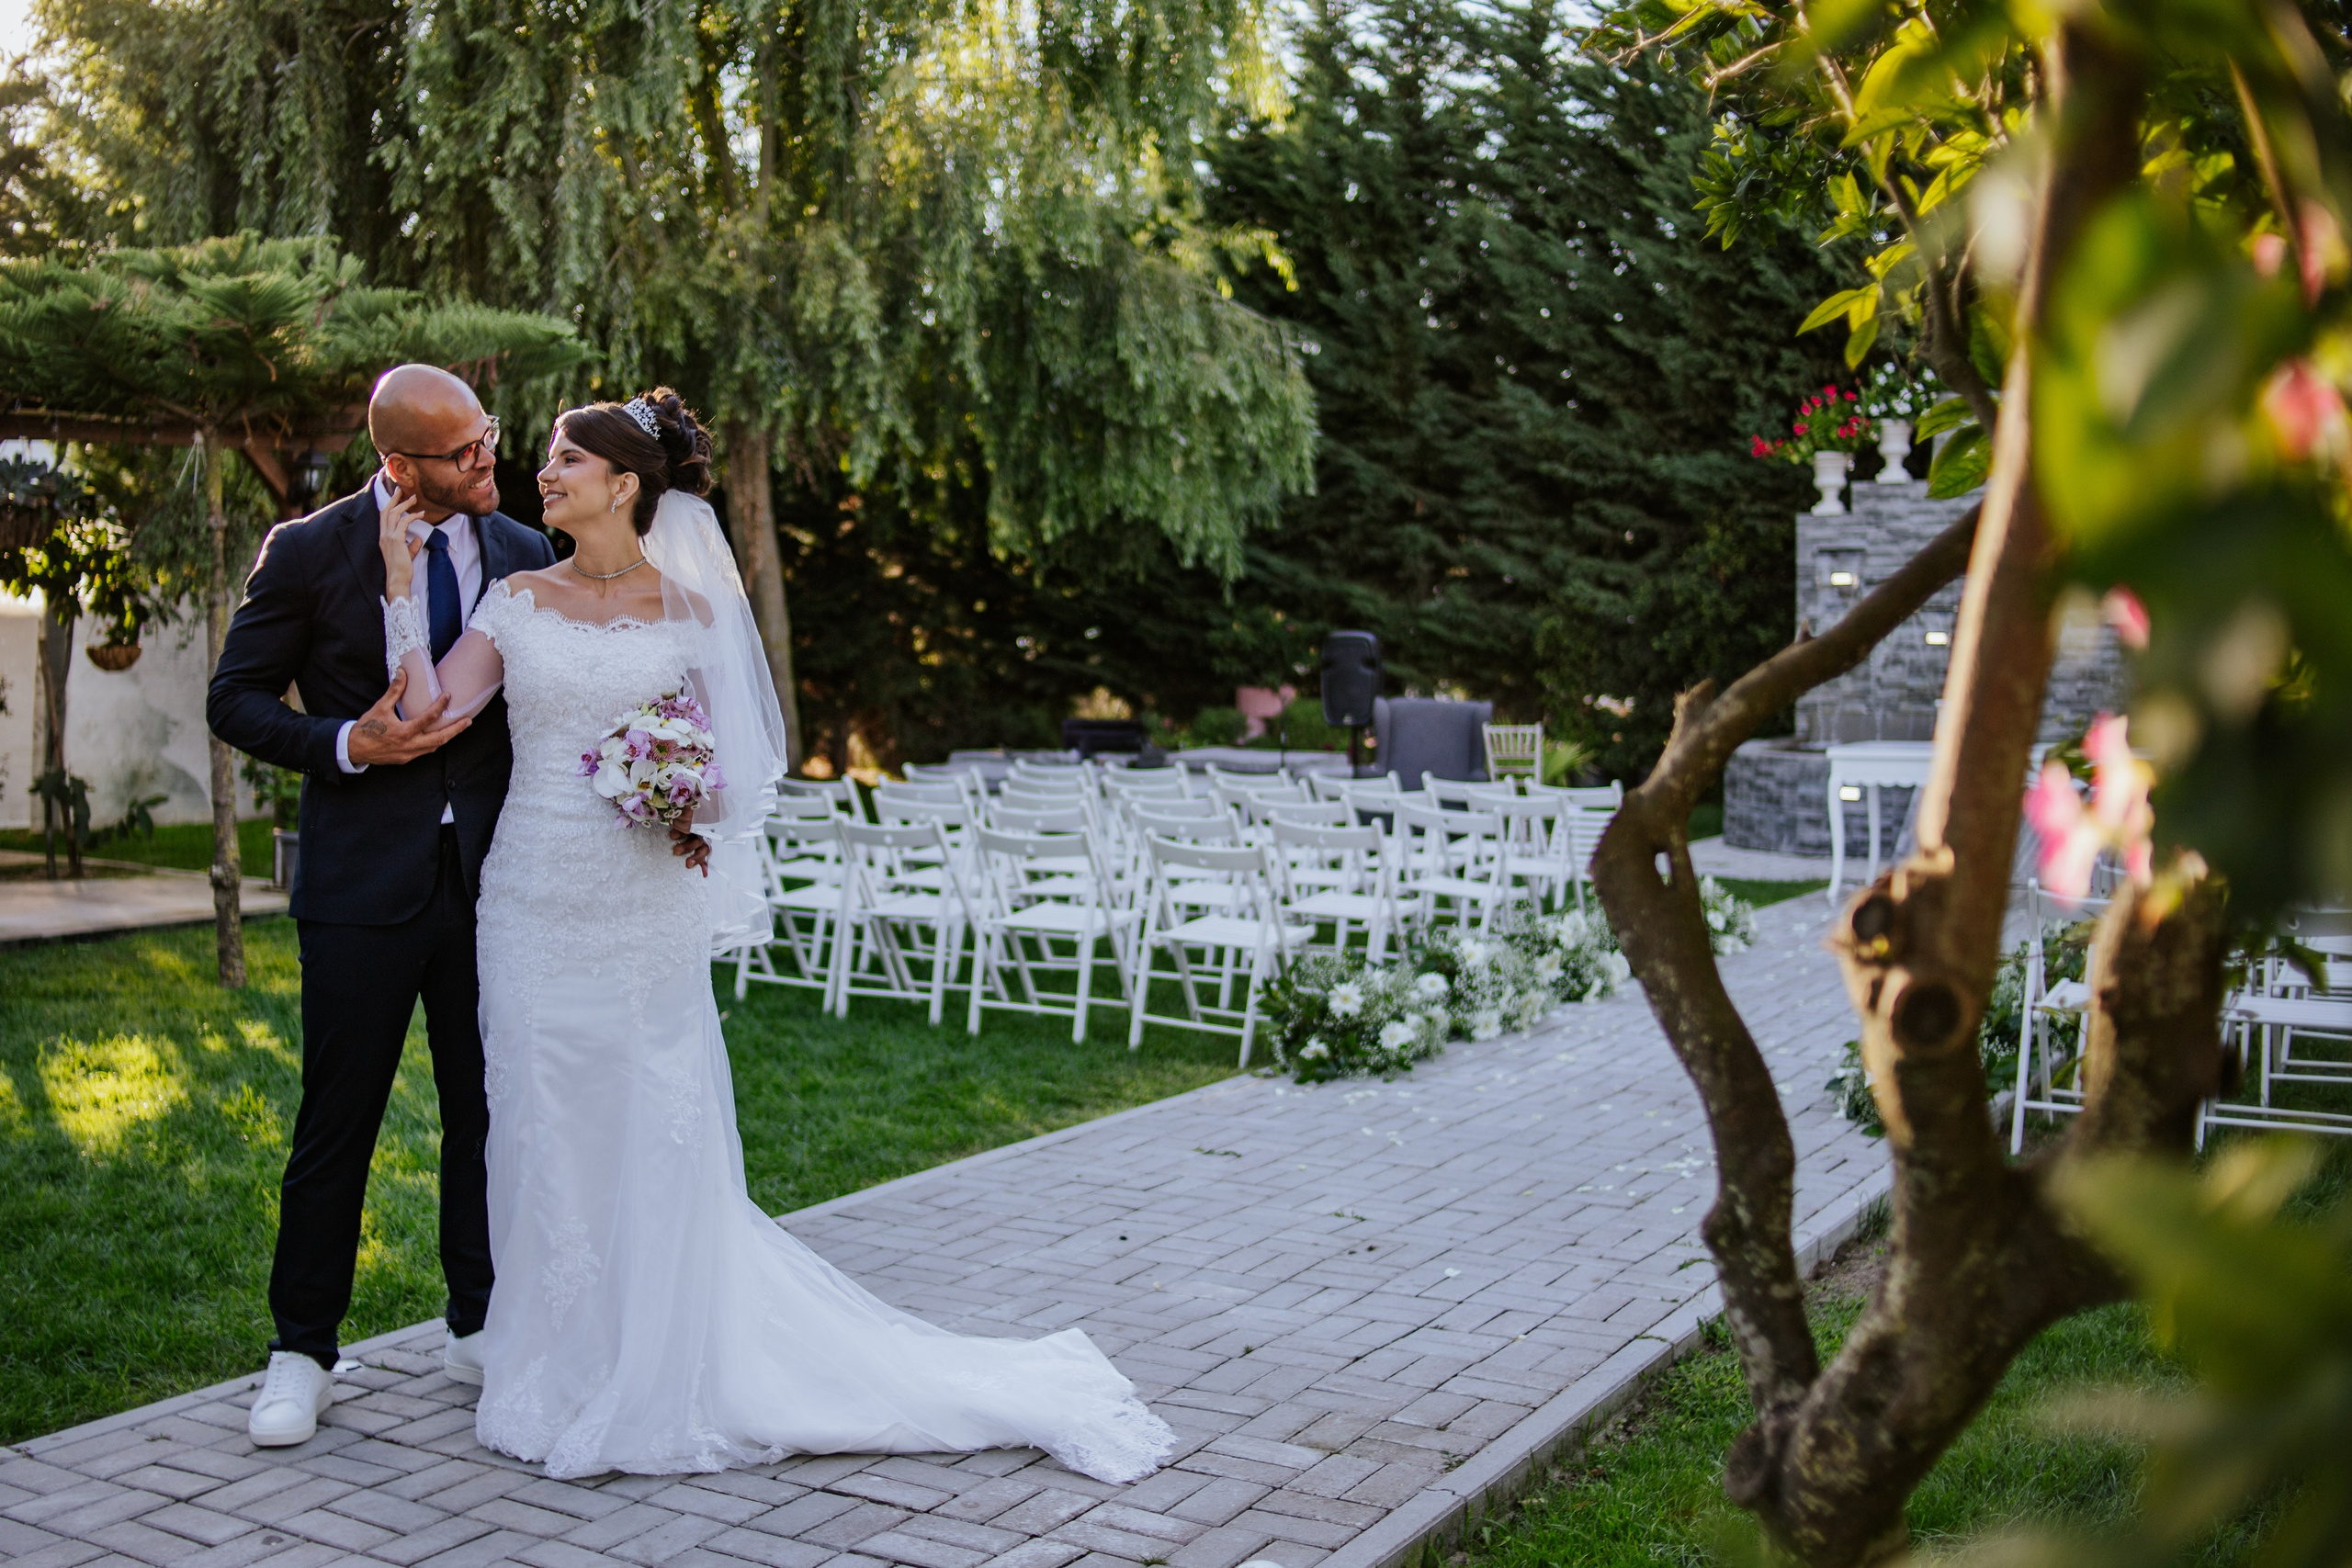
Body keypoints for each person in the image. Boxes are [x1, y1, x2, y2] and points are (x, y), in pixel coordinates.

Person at [369, 389, 1174, 1483]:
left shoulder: (689, 611)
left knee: (652, 1122)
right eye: (546, 458)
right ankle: (552, 1360)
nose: (543, 473)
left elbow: (736, 768)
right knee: (538, 1120)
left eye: (563, 460)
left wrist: (677, 793)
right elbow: (423, 713)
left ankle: (658, 1362)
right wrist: (398, 586)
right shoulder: (514, 598)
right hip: (529, 902)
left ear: (622, 486)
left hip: (640, 900)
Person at [208, 366, 559, 1446]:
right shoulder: (309, 550)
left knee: (484, 1113)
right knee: (336, 1124)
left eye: (489, 438)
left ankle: (477, 1322)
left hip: (493, 886)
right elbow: (236, 699)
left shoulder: (522, 550)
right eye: (463, 453)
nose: (487, 460)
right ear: (399, 466)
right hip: (362, 885)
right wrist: (347, 744)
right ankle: (302, 1351)